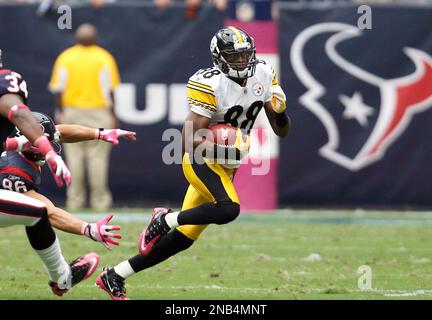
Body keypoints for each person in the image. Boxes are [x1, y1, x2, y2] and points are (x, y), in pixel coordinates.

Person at [95, 26, 291, 300]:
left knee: (183, 238)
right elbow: (188, 139)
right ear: (219, 59)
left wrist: (281, 113)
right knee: (228, 209)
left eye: (246, 55)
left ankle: (115, 275)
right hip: (201, 159)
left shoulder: (263, 72)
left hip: (226, 165)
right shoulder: (209, 83)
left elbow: (281, 129)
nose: (243, 62)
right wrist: (226, 147)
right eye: (235, 57)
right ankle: (164, 219)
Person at [0, 49, 99, 296]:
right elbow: (18, 113)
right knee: (37, 212)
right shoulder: (7, 86)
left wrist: (100, 133)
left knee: (37, 213)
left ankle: (62, 277)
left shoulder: (15, 143)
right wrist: (51, 154)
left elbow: (55, 132)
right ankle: (62, 278)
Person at [3, 112, 137, 250]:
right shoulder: (14, 171)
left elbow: (61, 131)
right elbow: (47, 212)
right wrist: (87, 228)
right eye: (44, 143)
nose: (49, 147)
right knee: (37, 218)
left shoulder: (19, 140)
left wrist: (100, 133)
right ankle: (60, 271)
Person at [48, 23, 121, 211]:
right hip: (99, 112)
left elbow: (58, 90)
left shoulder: (66, 57)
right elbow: (111, 90)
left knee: (74, 159)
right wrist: (113, 114)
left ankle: (75, 201)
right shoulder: (104, 57)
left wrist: (61, 113)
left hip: (72, 112)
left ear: (76, 38)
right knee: (98, 159)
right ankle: (100, 202)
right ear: (95, 38)